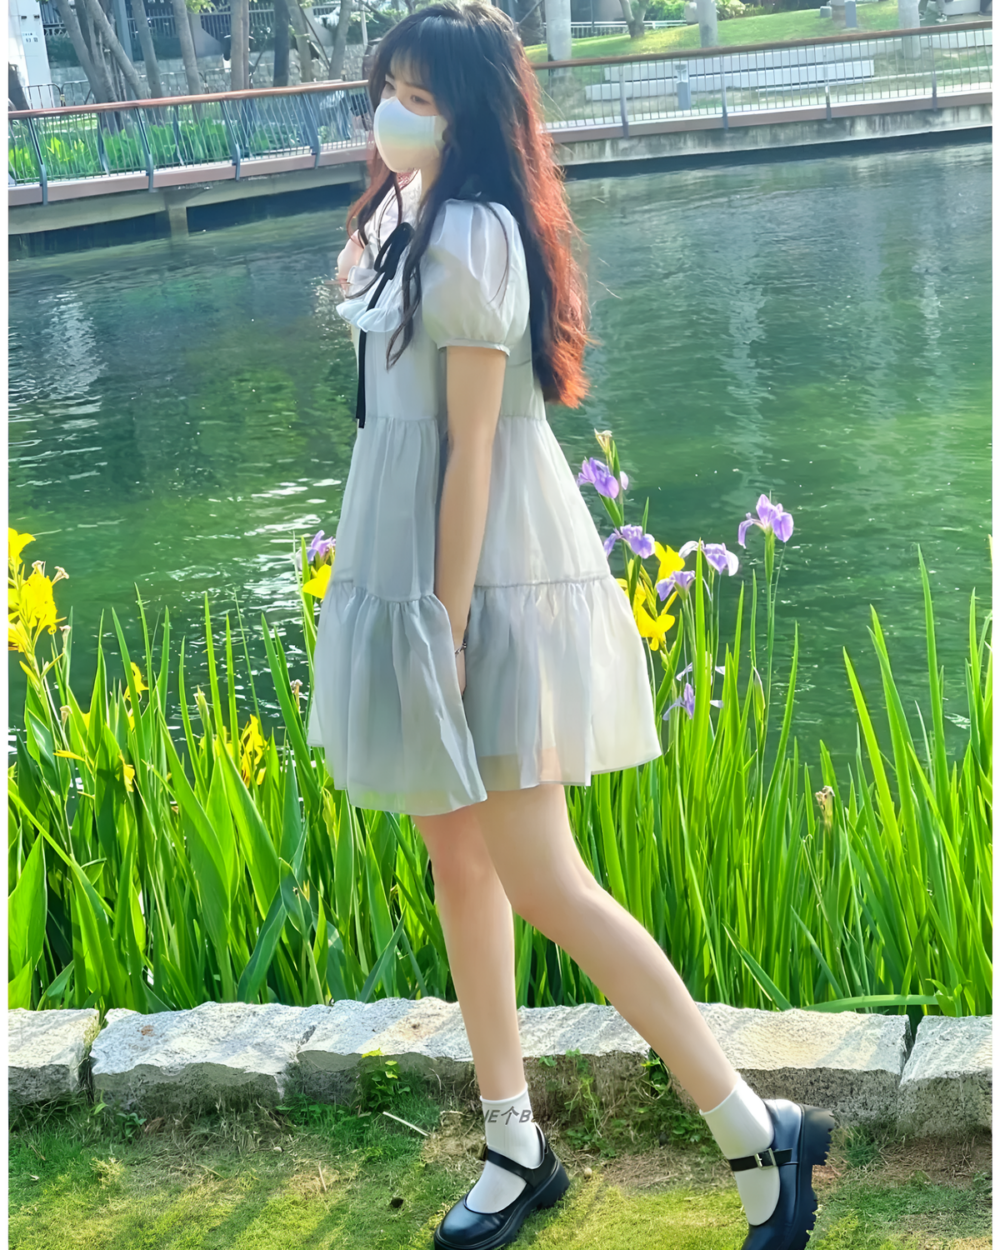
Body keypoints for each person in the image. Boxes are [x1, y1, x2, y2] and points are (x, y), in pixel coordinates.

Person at [305, 5, 837, 1249]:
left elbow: (474, 446)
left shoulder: (476, 231)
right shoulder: (400, 219)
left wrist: (442, 625)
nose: (394, 113)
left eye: (422, 97)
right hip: (412, 562)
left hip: (481, 574)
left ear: (475, 113)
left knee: (544, 874)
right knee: (456, 858)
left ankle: (753, 1127)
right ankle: (513, 1141)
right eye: (389, 89)